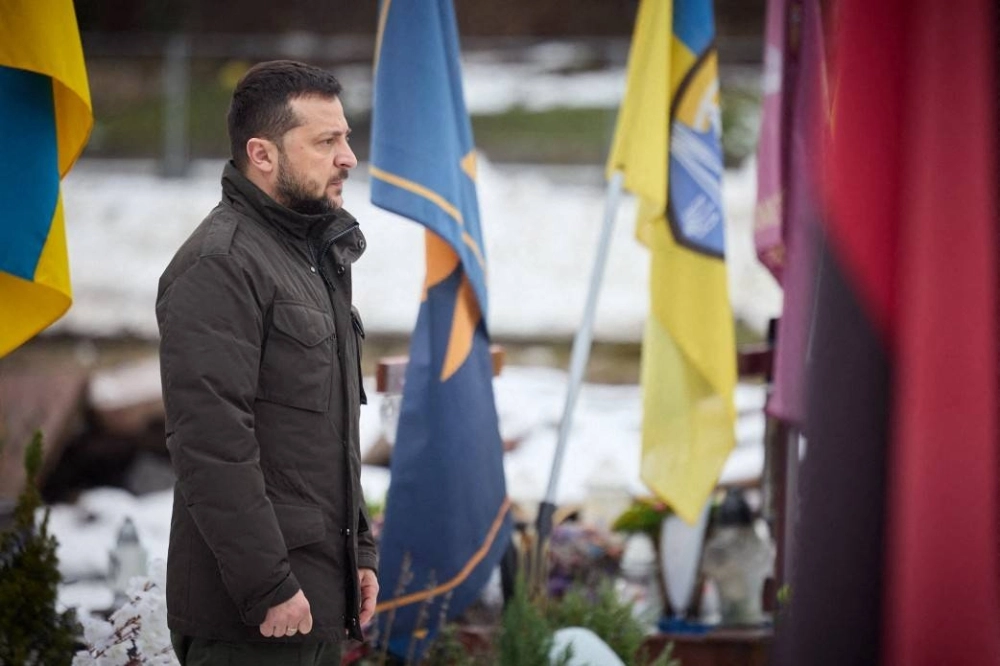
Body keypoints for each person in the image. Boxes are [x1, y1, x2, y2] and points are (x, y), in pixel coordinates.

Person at [156, 60, 378, 665]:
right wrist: (267, 585)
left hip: (312, 599)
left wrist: (358, 552)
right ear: (262, 153)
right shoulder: (221, 265)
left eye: (347, 137)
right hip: (252, 620)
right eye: (326, 141)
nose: (348, 157)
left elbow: (322, 434)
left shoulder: (311, 257)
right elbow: (211, 444)